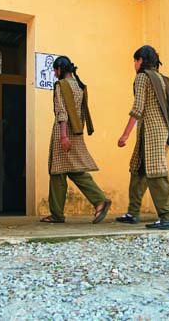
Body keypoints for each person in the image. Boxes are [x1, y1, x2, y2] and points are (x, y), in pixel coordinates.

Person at [40, 55, 111, 224]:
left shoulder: (61, 85)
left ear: (59, 70)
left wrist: (63, 136)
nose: (54, 74)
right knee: (75, 170)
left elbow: (61, 111)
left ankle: (58, 214)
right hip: (77, 131)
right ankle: (99, 200)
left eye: (55, 71)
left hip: (63, 132)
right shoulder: (79, 86)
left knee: (57, 171)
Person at [116, 45, 169, 229]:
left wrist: (125, 134)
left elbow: (138, 108)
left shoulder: (142, 77)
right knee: (138, 169)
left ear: (140, 60)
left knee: (157, 173)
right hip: (159, 130)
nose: (134, 64)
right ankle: (133, 213)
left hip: (152, 131)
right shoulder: (162, 78)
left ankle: (167, 217)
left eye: (135, 61)